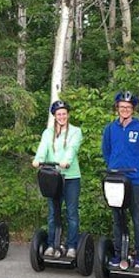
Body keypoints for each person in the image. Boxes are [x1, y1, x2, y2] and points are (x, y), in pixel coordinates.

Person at [101, 92, 139, 268]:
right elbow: (106, 151)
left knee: (137, 218)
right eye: (122, 107)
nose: (125, 110)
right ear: (117, 108)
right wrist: (113, 168)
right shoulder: (110, 128)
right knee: (118, 217)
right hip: (115, 180)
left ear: (133, 109)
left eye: (128, 107)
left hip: (135, 180)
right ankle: (119, 254)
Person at [32, 100, 84, 259]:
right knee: (53, 212)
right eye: (58, 114)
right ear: (54, 116)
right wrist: (37, 159)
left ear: (68, 115)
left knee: (71, 213)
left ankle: (71, 246)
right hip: (52, 177)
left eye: (64, 114)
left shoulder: (76, 131)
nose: (61, 116)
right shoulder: (48, 133)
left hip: (70, 177)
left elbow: (72, 148)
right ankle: (52, 244)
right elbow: (43, 148)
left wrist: (66, 161)